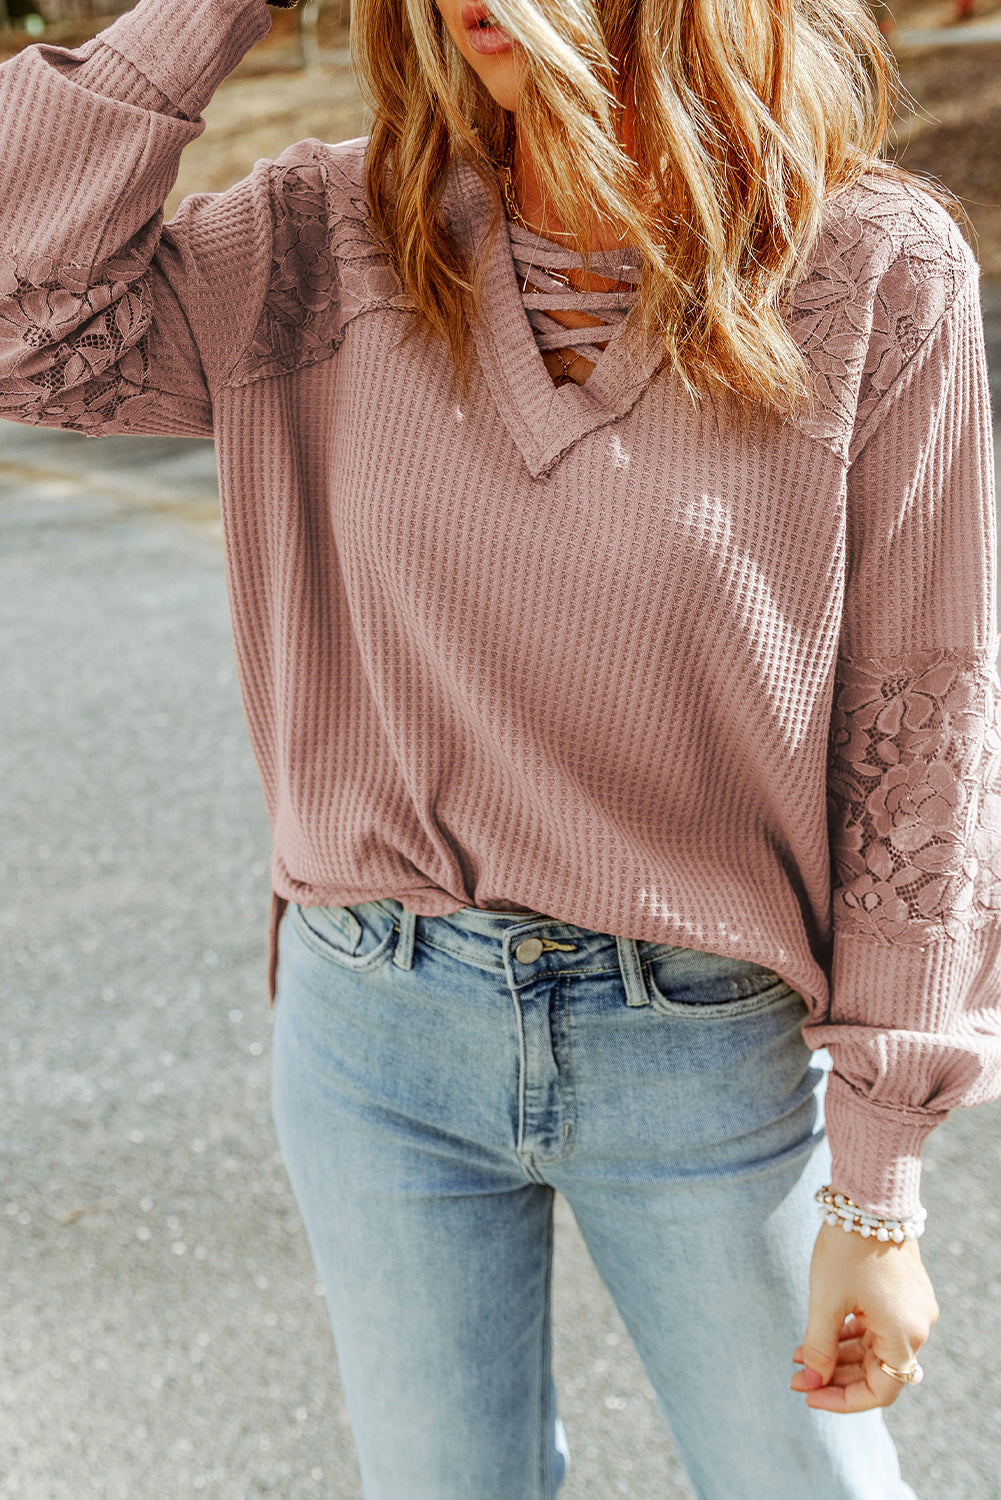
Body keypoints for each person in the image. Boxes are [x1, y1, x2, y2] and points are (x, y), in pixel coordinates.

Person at [0, 0, 998, 1493]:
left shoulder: (869, 269)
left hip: (704, 1043)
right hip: (374, 1032)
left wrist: (879, 1191)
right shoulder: (317, 238)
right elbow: (23, 320)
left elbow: (921, 729)